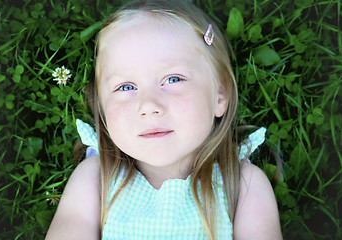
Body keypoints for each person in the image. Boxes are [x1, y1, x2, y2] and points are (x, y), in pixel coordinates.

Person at [45, 0, 282, 239]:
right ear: (103, 107)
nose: (149, 105)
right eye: (126, 86)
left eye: (173, 79)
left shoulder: (243, 185)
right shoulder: (96, 179)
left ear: (220, 96)